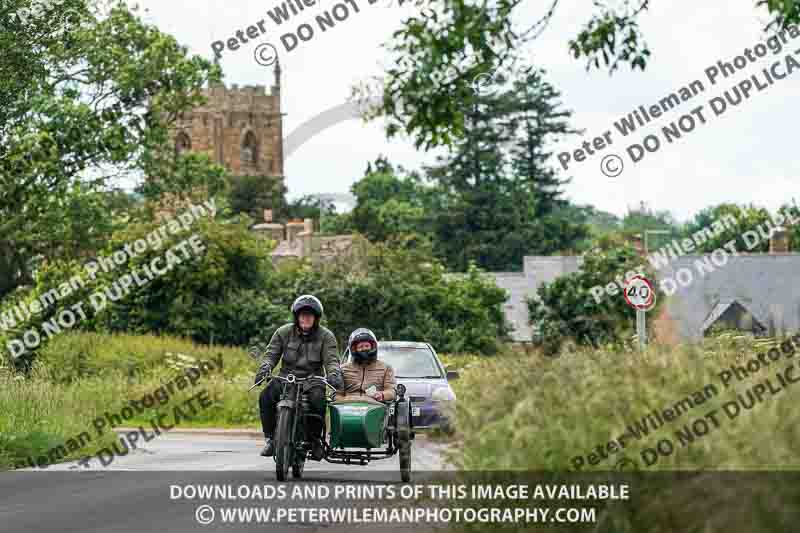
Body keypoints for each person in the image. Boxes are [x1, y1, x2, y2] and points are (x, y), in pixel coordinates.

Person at [254, 294, 343, 460]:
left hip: (313, 380)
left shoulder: (326, 336)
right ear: (297, 316)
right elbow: (271, 354)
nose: (306, 318)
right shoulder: (283, 332)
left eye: (310, 315)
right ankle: (271, 439)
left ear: (316, 318)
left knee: (318, 400)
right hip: (286, 379)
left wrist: (333, 374)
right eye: (303, 314)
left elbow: (332, 360)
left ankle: (315, 440)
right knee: (265, 396)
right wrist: (265, 368)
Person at [335, 328, 396, 403]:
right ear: (354, 349)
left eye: (367, 346)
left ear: (373, 347)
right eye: (360, 347)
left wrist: (382, 395)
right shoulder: (343, 369)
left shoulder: (385, 368)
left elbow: (391, 391)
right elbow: (337, 393)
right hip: (348, 406)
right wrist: (343, 400)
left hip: (375, 406)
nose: (364, 349)